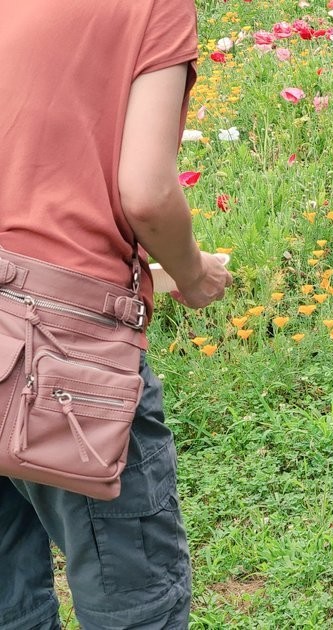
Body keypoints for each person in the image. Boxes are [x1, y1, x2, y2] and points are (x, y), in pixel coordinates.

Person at [0, 1, 230, 628]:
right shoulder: (151, 6)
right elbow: (148, 192)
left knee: (7, 597)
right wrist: (193, 272)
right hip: (64, 359)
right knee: (134, 594)